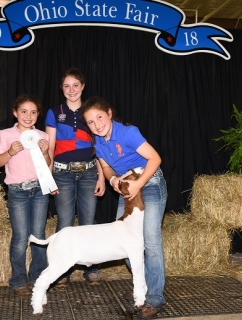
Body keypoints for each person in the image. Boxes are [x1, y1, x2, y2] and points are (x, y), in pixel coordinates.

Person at [81, 96, 167, 320]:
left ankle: (155, 297)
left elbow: (155, 158)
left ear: (109, 113)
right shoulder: (98, 142)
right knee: (124, 243)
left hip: (149, 182)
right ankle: (142, 288)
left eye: (99, 117)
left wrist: (139, 183)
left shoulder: (128, 132)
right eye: (90, 122)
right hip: (127, 186)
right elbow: (107, 169)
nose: (97, 124)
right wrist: (112, 182)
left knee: (150, 240)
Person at [45, 67, 106, 287]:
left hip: (89, 171)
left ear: (83, 86)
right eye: (67, 86)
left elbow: (98, 146)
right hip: (62, 173)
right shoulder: (54, 112)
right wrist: (48, 177)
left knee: (88, 222)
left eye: (76, 85)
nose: (72, 90)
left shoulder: (91, 112)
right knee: (65, 222)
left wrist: (101, 177)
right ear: (62, 88)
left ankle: (92, 268)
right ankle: (62, 270)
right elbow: (50, 147)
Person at [0, 94, 51, 296]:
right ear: (15, 113)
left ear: (38, 115)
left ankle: (38, 277)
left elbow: (47, 164)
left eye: (33, 112)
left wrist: (45, 153)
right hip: (17, 192)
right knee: (20, 237)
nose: (28, 116)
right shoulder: (5, 135)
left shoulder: (43, 136)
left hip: (39, 191)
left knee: (39, 235)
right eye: (24, 111)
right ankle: (18, 280)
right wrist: (9, 152)